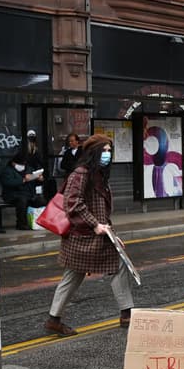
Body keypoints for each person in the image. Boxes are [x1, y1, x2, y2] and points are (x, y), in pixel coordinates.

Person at [44, 135, 135, 336]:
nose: (107, 155)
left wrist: (112, 233)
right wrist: (95, 225)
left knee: (99, 269)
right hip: (83, 236)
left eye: (110, 150)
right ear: (93, 152)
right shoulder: (81, 173)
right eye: (104, 151)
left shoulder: (98, 174)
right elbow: (73, 203)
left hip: (95, 234)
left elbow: (101, 209)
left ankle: (54, 319)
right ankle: (126, 313)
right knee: (78, 274)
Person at [0, 149, 49, 229]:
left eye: (24, 164)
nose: (22, 166)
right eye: (20, 164)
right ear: (13, 163)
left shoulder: (29, 169)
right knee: (22, 201)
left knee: (41, 201)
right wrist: (23, 180)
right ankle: (21, 223)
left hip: (29, 194)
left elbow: (34, 182)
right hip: (13, 195)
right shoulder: (7, 171)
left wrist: (39, 179)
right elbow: (7, 183)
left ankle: (41, 221)